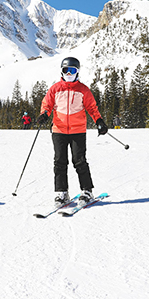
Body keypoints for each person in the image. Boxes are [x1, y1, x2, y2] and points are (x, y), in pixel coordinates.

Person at [37, 57, 107, 207]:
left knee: (79, 161)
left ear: (78, 72)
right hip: (59, 130)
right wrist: (44, 114)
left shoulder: (83, 90)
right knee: (60, 161)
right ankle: (61, 192)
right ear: (61, 72)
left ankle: (87, 191)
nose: (69, 73)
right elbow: (47, 105)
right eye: (65, 70)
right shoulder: (55, 89)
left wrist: (99, 121)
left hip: (78, 130)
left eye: (72, 70)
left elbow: (92, 108)